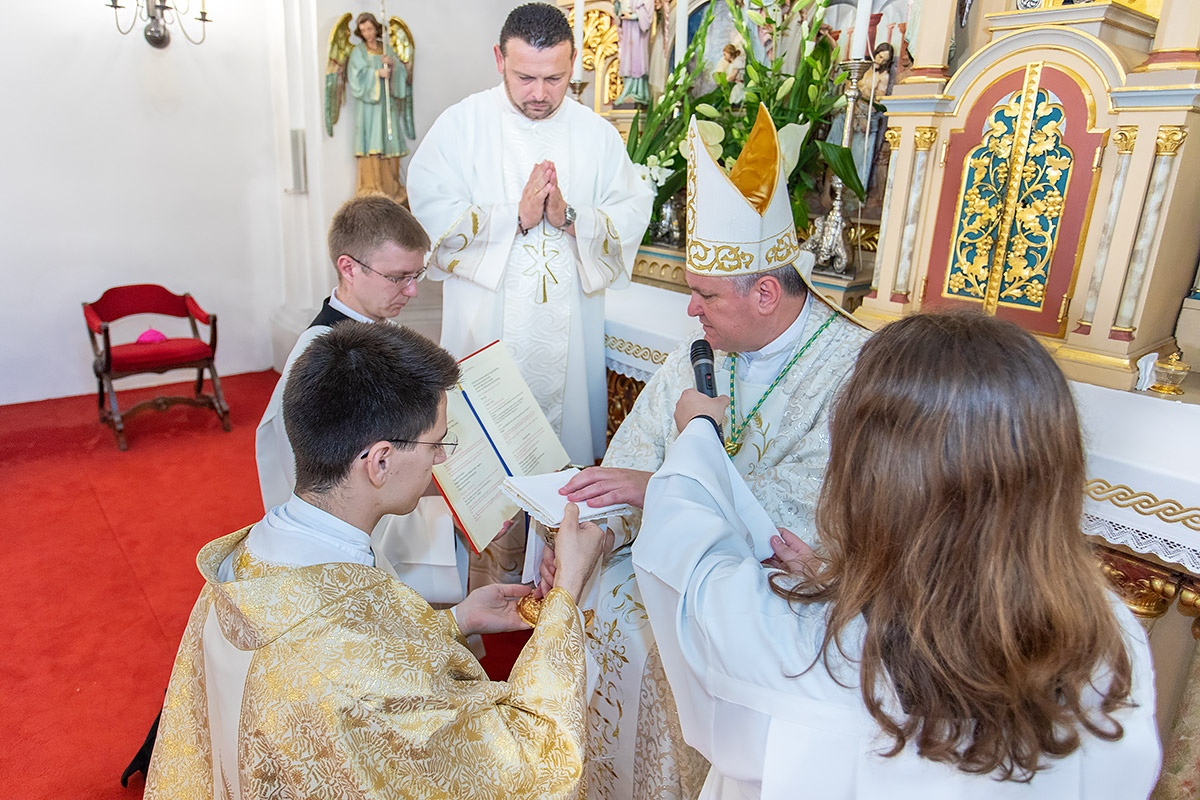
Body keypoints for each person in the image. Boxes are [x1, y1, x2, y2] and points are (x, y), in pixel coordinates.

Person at [635, 311, 1162, 798]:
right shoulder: (1113, 639)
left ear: (868, 482)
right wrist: (837, 583)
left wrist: (700, 434)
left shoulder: (806, 651)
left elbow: (691, 566)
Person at [543, 110, 870, 799]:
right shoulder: (709, 346)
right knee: (588, 597)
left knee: (663, 642)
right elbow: (631, 457)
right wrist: (595, 535)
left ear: (764, 292)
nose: (690, 313)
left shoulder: (854, 372)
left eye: (703, 294)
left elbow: (801, 522)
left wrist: (657, 489)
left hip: (763, 594)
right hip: (664, 558)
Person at [144, 321, 612, 800]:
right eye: (437, 444)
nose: (440, 461)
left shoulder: (249, 560)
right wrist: (568, 595)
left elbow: (342, 640)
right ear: (380, 461)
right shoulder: (361, 677)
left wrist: (454, 621)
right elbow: (528, 764)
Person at [407, 2, 652, 472]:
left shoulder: (597, 134)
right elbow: (432, 206)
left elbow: (631, 210)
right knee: (483, 472)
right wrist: (512, 219)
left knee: (563, 484)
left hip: (570, 340)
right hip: (486, 330)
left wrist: (571, 217)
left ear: (573, 61)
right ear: (499, 59)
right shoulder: (461, 125)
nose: (539, 93)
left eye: (554, 79)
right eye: (524, 77)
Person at [256, 194, 466, 606]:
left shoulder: (374, 334)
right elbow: (326, 480)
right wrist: (458, 503)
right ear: (348, 267)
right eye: (398, 277)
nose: (412, 290)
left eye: (417, 273)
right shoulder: (323, 355)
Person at [348, 12, 415, 203]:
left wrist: (393, 66)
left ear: (376, 28)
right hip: (369, 108)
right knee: (372, 144)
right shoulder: (358, 52)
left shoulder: (387, 49)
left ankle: (391, 187)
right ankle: (371, 187)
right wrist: (377, 73)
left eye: (369, 28)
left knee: (388, 140)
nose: (367, 33)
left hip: (386, 105)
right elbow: (355, 78)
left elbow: (403, 76)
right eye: (363, 30)